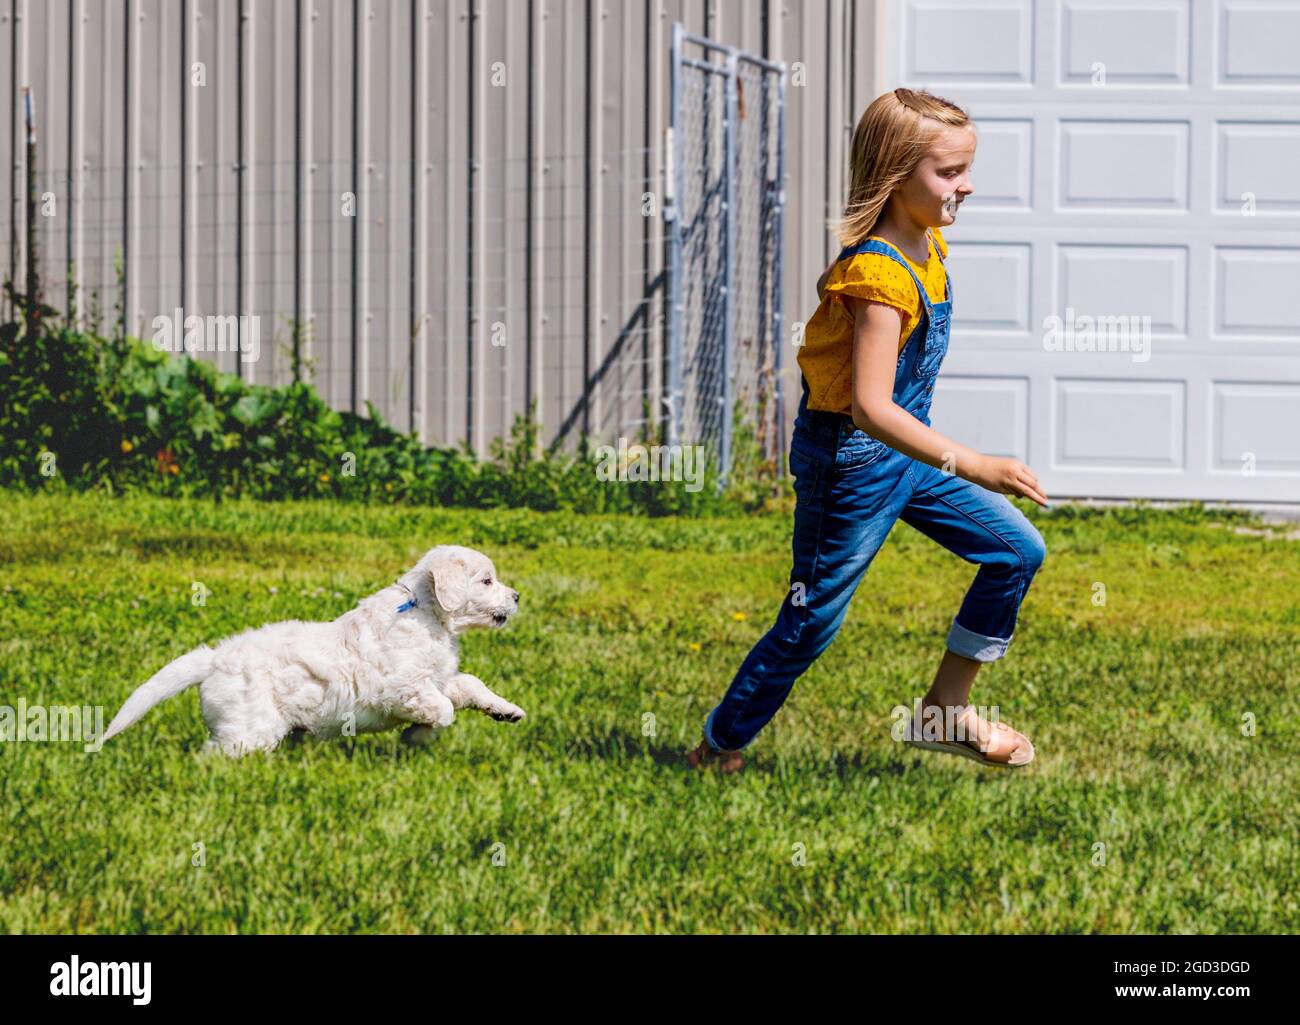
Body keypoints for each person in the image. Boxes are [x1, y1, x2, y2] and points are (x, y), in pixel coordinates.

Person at [688, 87, 1049, 775]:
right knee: (810, 622)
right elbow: (869, 407)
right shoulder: (879, 275)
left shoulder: (928, 244)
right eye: (948, 172)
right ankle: (719, 743)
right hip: (850, 463)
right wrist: (974, 463)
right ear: (894, 174)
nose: (965, 185)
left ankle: (945, 709)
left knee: (1015, 552)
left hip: (906, 455)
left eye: (966, 169)